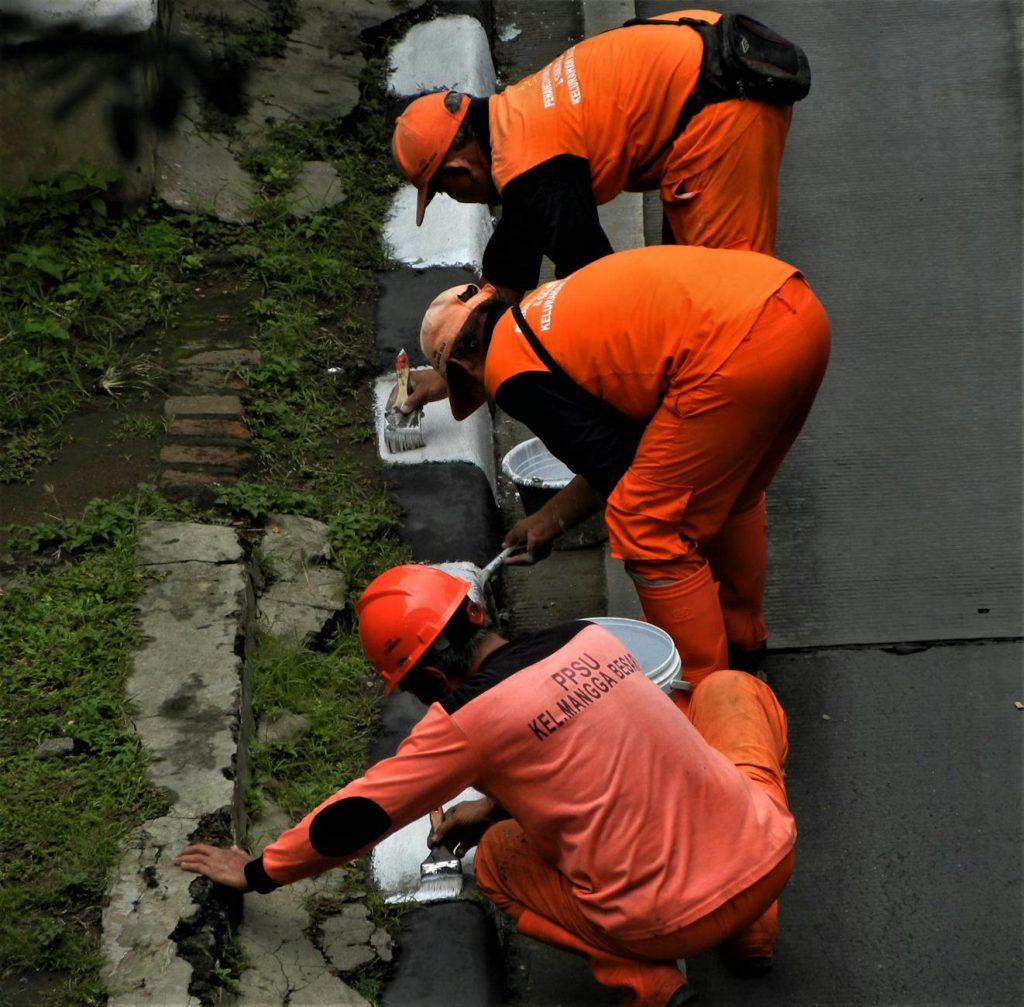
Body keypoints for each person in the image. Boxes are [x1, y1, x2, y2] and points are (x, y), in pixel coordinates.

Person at [176, 563, 796, 1007]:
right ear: (475, 611)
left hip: (666, 922)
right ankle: (752, 926)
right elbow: (593, 748)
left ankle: (650, 987)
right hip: (767, 858)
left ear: (427, 680)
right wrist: (497, 803)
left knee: (498, 862)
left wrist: (257, 871)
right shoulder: (589, 637)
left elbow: (361, 814)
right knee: (730, 691)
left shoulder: (463, 720)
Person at [417, 244, 830, 689]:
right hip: (792, 310)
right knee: (733, 490)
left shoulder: (508, 370)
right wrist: (547, 522)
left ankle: (704, 694)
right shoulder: (543, 308)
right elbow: (630, 451)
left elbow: (617, 471)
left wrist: (558, 520)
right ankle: (739, 639)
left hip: (732, 354)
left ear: (462, 364)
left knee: (644, 525)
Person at [394, 8, 803, 409]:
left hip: (723, 97)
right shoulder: (516, 121)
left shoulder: (535, 174)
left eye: (445, 192)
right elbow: (509, 263)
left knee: (729, 311)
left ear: (459, 169)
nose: (457, 198)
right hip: (700, 44)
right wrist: (449, 376)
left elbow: (603, 296)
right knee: (688, 285)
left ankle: (730, 443)